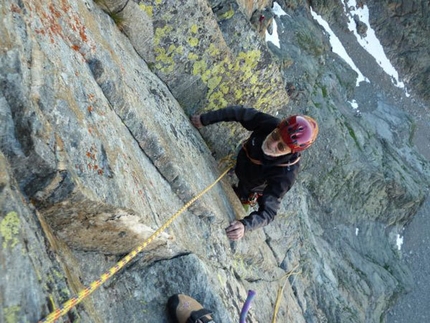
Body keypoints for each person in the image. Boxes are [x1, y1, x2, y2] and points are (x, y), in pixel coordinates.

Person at [191, 105, 318, 241]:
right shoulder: (268, 124)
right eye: (275, 135)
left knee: (242, 199)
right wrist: (205, 119)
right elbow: (239, 113)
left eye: (281, 147)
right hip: (243, 161)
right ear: (277, 128)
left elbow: (269, 212)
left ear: (291, 152)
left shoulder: (285, 174)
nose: (273, 144)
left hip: (251, 186)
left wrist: (245, 225)